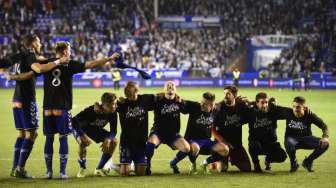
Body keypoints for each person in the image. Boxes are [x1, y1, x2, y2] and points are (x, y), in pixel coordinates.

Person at [41, 41, 119, 179]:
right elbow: (90, 64)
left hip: (47, 106)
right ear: (65, 51)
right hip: (64, 108)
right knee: (64, 138)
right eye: (69, 50)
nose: (70, 53)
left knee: (49, 138)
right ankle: (68, 171)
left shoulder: (47, 63)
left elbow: (35, 68)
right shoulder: (69, 64)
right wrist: (108, 59)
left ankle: (48, 172)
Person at [170, 92, 229, 174]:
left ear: (212, 105)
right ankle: (192, 164)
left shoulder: (216, 110)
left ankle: (205, 163)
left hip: (206, 141)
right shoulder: (195, 106)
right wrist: (178, 100)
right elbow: (183, 103)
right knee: (195, 148)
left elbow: (223, 104)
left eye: (205, 104)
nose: (202, 104)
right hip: (191, 140)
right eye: (202, 102)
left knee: (225, 149)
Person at [146, 81, 190, 175]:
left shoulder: (179, 102)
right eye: (168, 86)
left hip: (173, 134)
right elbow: (142, 103)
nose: (170, 87)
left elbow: (190, 108)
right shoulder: (157, 100)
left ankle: (173, 163)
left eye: (172, 85)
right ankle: (147, 165)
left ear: (176, 89)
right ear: (164, 89)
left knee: (187, 148)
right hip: (158, 132)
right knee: (150, 144)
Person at [72, 92, 118, 177]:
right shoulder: (91, 111)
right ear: (103, 105)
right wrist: (82, 135)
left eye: (115, 104)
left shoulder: (113, 112)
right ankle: (82, 168)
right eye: (111, 105)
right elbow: (73, 121)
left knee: (113, 141)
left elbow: (114, 131)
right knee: (83, 143)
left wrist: (108, 139)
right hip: (81, 128)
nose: (114, 107)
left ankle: (99, 169)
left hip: (95, 130)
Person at [117, 81, 155, 176]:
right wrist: (98, 104)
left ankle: (130, 165)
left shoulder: (145, 99)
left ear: (137, 90)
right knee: (125, 173)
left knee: (141, 173)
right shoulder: (121, 103)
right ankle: (116, 166)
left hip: (141, 142)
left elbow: (160, 96)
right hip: (126, 142)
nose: (128, 90)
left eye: (131, 88)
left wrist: (175, 97)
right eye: (127, 89)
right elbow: (106, 102)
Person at [211, 85, 252, 172]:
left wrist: (250, 104)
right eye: (224, 93)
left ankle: (231, 158)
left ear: (234, 95)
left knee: (247, 168)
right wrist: (223, 142)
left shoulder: (241, 106)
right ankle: (214, 163)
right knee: (223, 169)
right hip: (222, 144)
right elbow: (212, 129)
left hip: (236, 144)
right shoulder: (218, 108)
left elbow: (251, 115)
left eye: (228, 94)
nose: (225, 96)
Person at [283, 96, 329, 172]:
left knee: (325, 144)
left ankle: (308, 161)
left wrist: (325, 137)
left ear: (304, 107)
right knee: (289, 144)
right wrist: (272, 102)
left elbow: (324, 126)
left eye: (298, 107)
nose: (295, 109)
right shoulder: (288, 112)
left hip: (306, 139)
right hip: (292, 140)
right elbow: (272, 109)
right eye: (293, 106)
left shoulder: (309, 115)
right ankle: (293, 162)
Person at [247, 92, 287, 172]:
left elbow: (288, 112)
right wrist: (249, 103)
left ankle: (268, 160)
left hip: (270, 144)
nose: (265, 105)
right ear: (257, 103)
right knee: (253, 145)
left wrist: (303, 110)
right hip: (257, 143)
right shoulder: (250, 112)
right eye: (262, 102)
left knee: (282, 156)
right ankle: (256, 164)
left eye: (266, 102)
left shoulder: (273, 110)